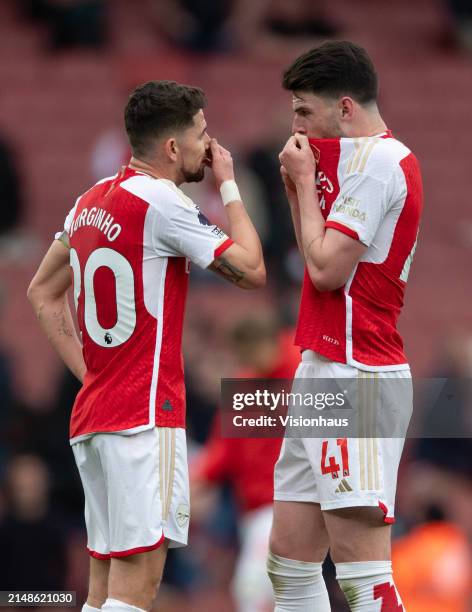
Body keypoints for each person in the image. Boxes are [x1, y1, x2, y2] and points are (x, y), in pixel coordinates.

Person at [27, 80, 265, 612]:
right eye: (202, 134)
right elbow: (251, 270)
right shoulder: (163, 201)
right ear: (173, 148)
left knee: (102, 590)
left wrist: (90, 372)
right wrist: (229, 187)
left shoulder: (87, 203)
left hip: (94, 417)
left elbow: (42, 292)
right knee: (136, 590)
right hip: (144, 417)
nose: (211, 146)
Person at [266, 42, 423, 611]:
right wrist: (296, 190)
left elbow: (328, 269)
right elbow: (312, 254)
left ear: (347, 106)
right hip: (321, 366)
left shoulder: (384, 163)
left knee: (362, 575)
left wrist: (304, 185)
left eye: (305, 110)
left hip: (358, 373)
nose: (297, 125)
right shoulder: (348, 159)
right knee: (289, 564)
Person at [191, 316, 299, 612]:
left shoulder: (304, 368)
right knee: (282, 593)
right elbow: (221, 452)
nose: (247, 362)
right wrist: (194, 483)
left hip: (290, 503)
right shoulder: (244, 385)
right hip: (253, 512)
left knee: (252, 587)